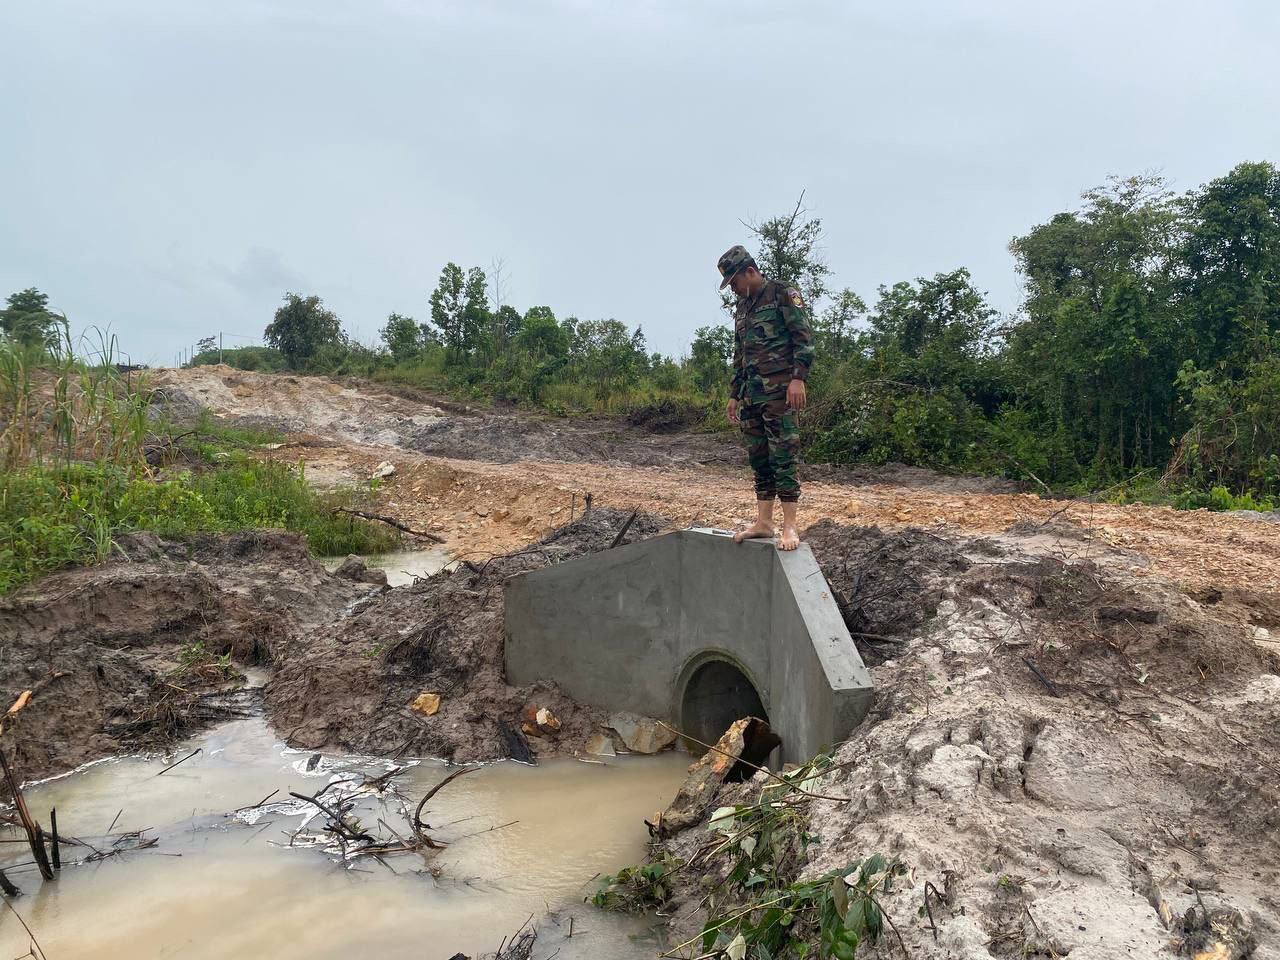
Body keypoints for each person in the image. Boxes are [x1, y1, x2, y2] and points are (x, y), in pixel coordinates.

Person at [717, 244, 814, 551]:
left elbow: (803, 339)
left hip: (780, 393)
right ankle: (764, 522)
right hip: (752, 396)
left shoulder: (783, 294)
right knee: (759, 459)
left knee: (783, 456)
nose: (733, 288)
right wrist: (735, 394)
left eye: (734, 282)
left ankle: (789, 526)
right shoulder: (743, 308)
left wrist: (798, 378)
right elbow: (740, 353)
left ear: (750, 272)